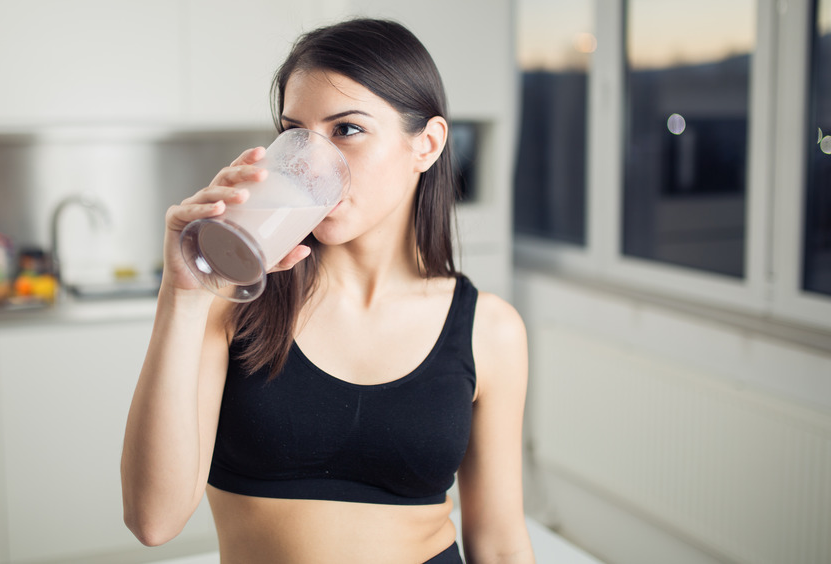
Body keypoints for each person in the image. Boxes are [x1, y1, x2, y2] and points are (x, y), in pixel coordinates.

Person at [121, 18, 535, 564]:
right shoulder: (233, 304)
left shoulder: (489, 329)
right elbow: (153, 520)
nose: (315, 162)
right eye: (297, 134)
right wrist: (182, 297)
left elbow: (500, 542)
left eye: (347, 130)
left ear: (427, 145)